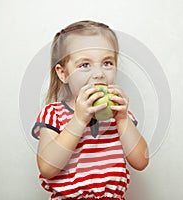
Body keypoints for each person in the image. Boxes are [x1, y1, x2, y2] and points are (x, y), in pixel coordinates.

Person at [32, 20, 149, 200]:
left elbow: (141, 162)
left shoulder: (120, 113)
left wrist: (123, 120)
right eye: (85, 65)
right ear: (63, 73)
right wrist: (78, 119)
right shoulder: (53, 114)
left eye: (107, 63)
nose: (99, 74)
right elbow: (47, 169)